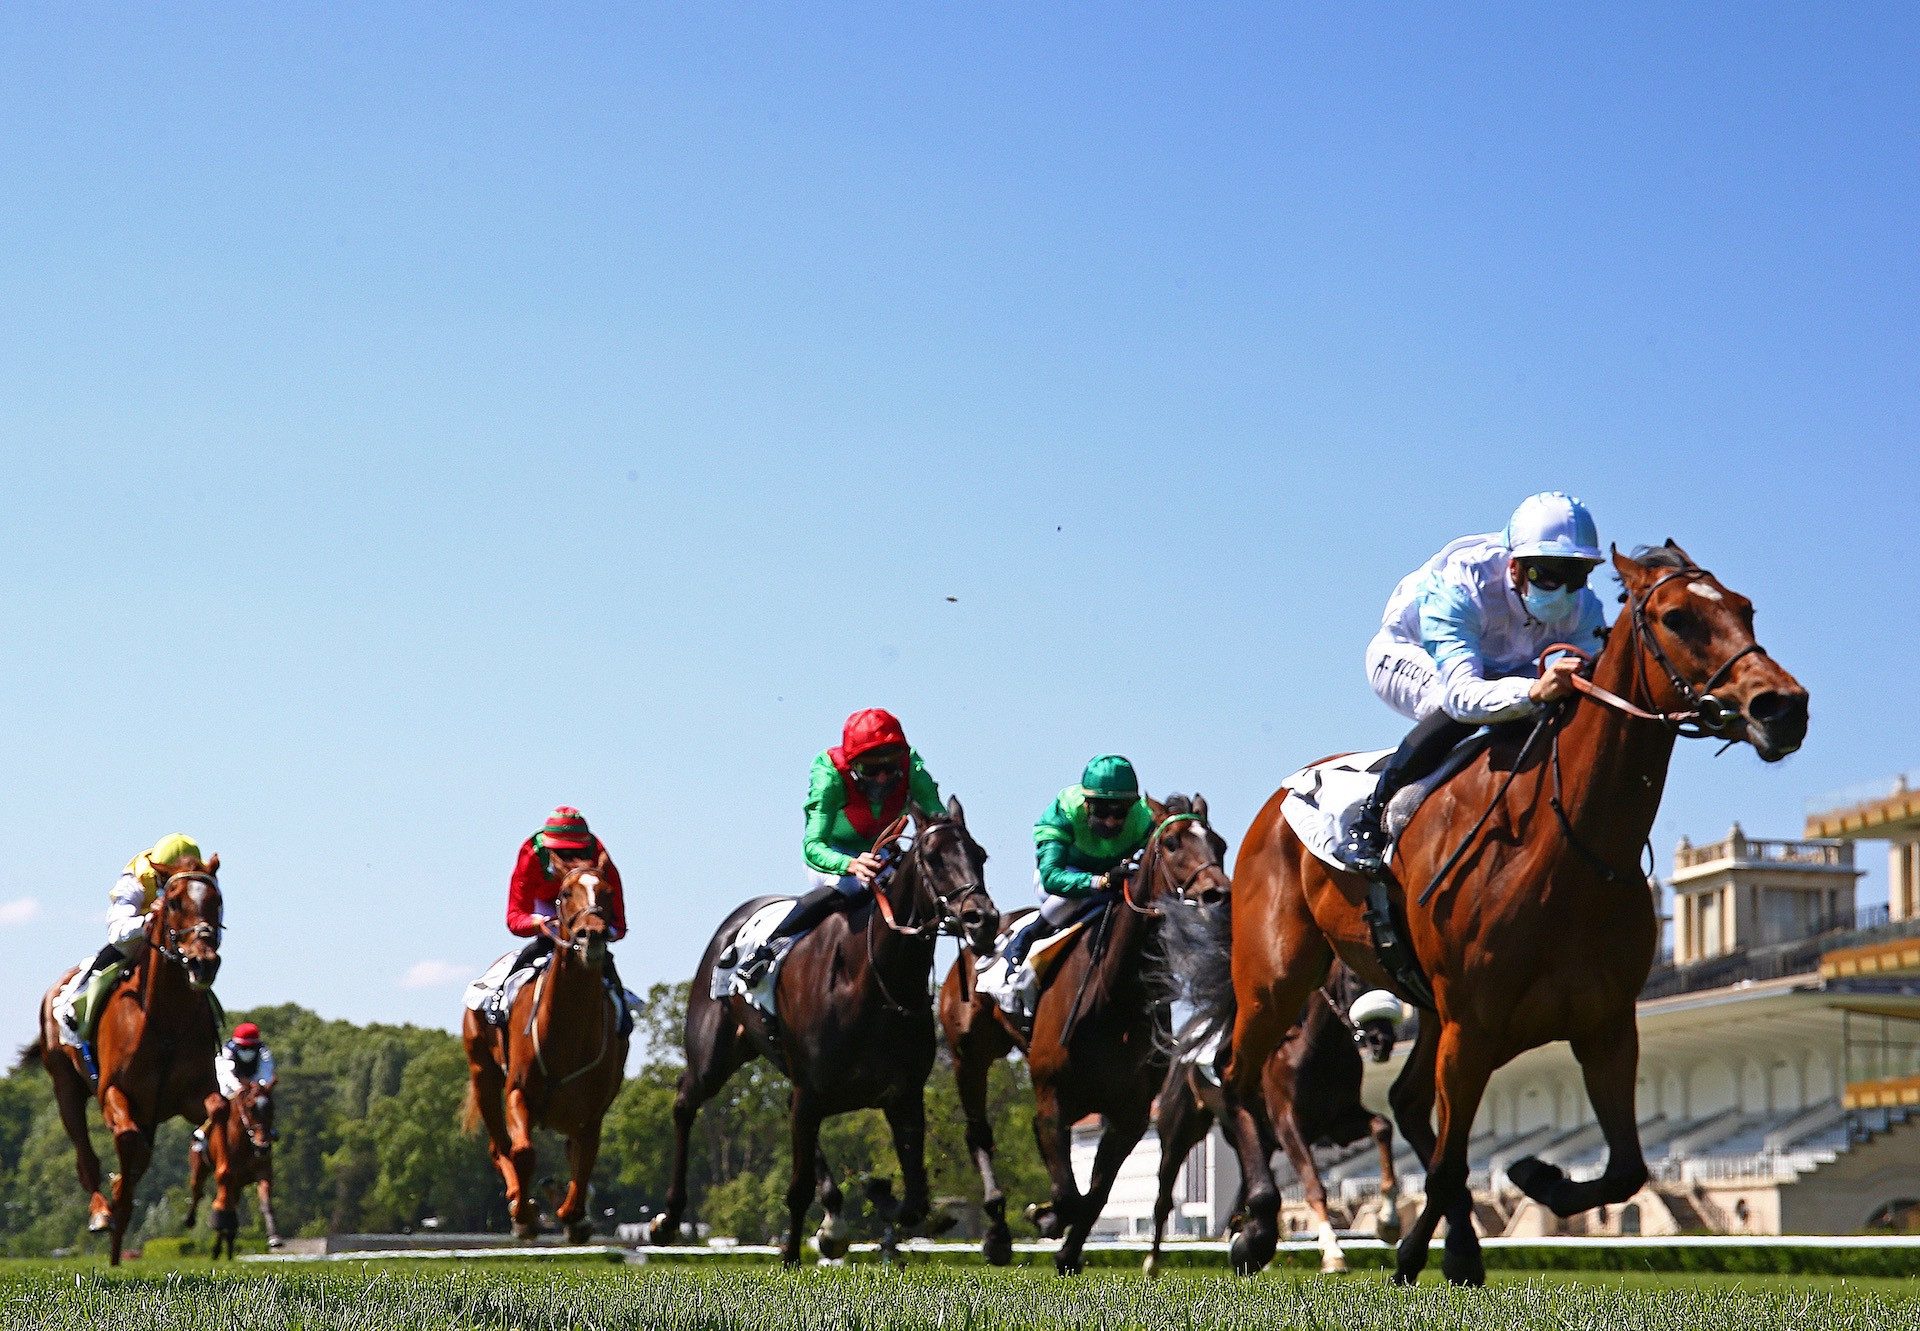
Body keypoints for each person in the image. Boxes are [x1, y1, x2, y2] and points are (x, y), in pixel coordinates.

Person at [1337, 492, 1607, 877]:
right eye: (1546, 574)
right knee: (1457, 710)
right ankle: (1370, 817)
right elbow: (1462, 696)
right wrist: (1532, 691)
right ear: (1514, 566)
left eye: (1576, 575)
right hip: (1409, 657)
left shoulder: (1586, 608)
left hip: (1503, 668)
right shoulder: (1460, 585)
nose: (1562, 590)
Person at [735, 708, 945, 982]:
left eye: (889, 767)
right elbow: (813, 846)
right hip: (834, 853)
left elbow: (939, 820)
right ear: (853, 764)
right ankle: (768, 948)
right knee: (851, 886)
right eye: (870, 769)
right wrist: (850, 864)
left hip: (879, 850)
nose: (882, 777)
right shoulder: (830, 774)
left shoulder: (912, 767)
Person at [995, 755, 1153, 1014]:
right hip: (1064, 880)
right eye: (1102, 811)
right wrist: (1098, 881)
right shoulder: (1064, 811)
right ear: (1087, 803)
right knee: (1073, 899)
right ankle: (1028, 936)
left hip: (1114, 880)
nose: (1111, 821)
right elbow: (1051, 876)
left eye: (1119, 812)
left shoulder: (1143, 817)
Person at [504, 806, 629, 993]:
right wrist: (538, 924)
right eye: (561, 853)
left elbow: (618, 923)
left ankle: (625, 1014)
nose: (569, 859)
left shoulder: (600, 854)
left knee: (608, 967)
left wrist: (605, 930)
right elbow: (514, 917)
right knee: (536, 949)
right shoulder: (531, 854)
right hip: (544, 906)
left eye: (577, 853)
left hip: (585, 907)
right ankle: (500, 999)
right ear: (548, 848)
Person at [73, 834, 209, 995]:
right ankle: (75, 1000)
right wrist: (152, 919)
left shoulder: (201, 881)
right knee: (109, 958)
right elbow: (117, 932)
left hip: (179, 945)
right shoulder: (135, 878)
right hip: (136, 940)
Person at [193, 1021, 277, 1154]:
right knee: (220, 1106)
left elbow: (266, 1070)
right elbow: (226, 1072)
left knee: (263, 1102)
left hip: (252, 1082)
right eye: (244, 1047)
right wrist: (237, 1087)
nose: (247, 1050)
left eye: (251, 1047)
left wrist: (260, 1085)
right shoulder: (226, 1051)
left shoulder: (263, 1050)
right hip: (229, 1084)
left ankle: (267, 1129)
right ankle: (203, 1131)